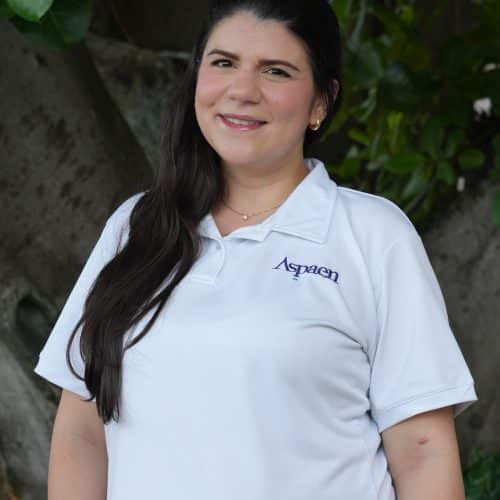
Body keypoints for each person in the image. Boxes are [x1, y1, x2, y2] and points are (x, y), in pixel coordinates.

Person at [34, 1, 478, 499]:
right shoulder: (136, 227)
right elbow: (81, 433)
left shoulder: (372, 235)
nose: (242, 90)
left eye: (276, 71)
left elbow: (423, 452)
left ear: (321, 102)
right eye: (224, 63)